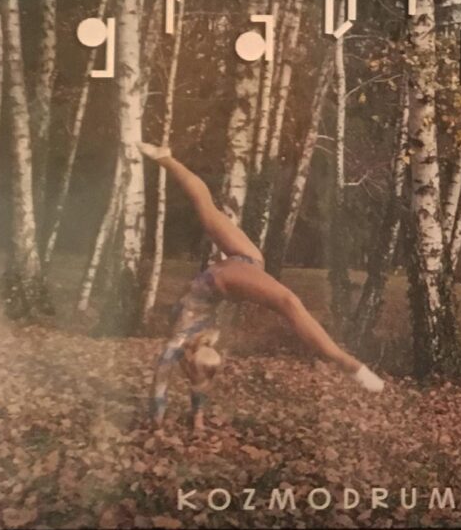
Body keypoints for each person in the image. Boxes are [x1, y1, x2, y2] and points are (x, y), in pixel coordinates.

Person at [143, 142, 383, 430]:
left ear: (191, 360)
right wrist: (197, 420)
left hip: (227, 274)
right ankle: (347, 363)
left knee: (207, 209)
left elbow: (161, 386)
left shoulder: (175, 346)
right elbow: (198, 384)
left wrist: (157, 420)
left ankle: (167, 159)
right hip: (238, 269)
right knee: (288, 302)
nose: (204, 348)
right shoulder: (195, 350)